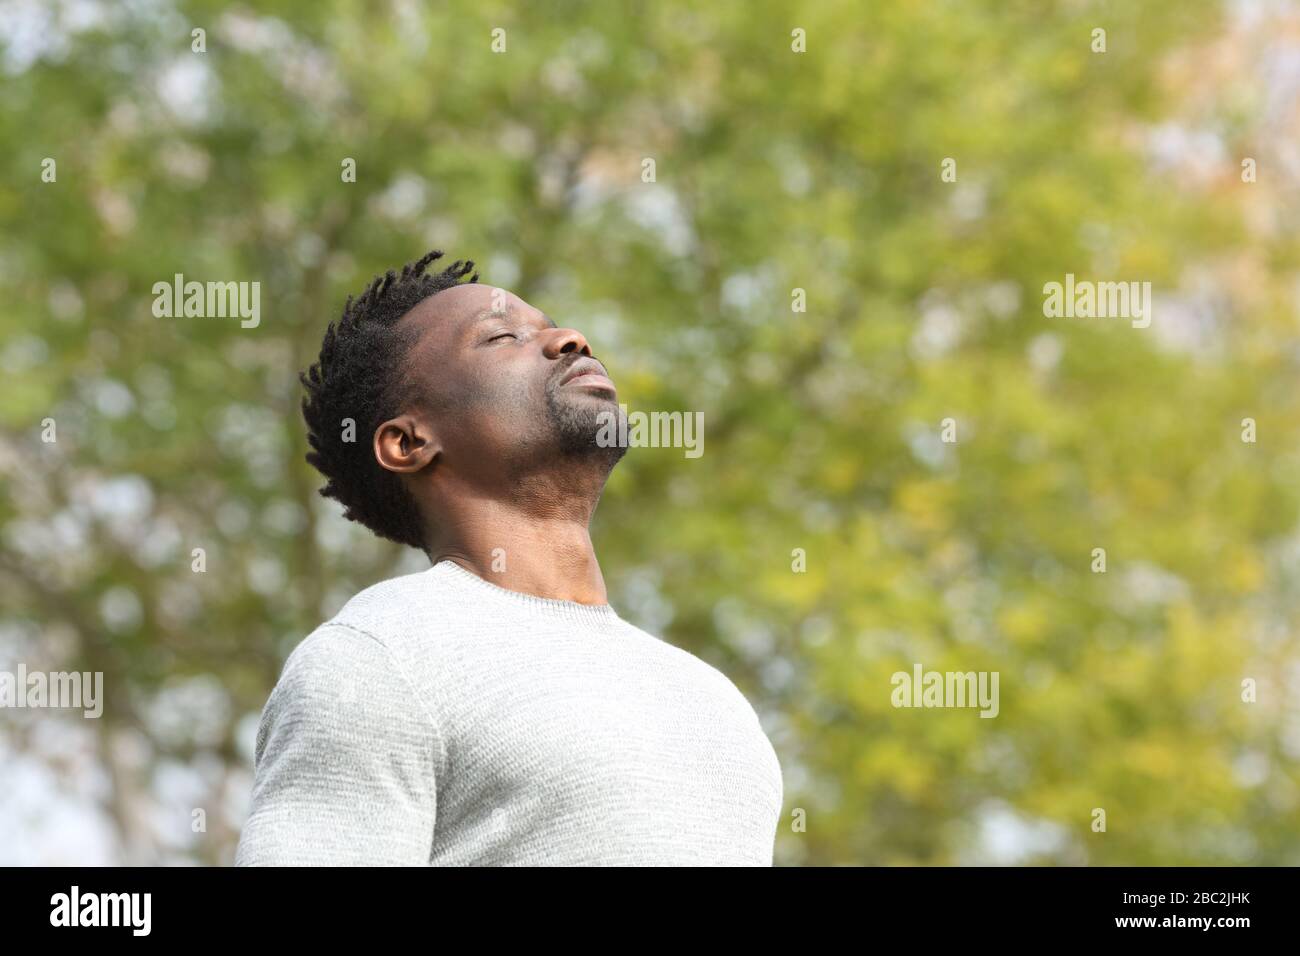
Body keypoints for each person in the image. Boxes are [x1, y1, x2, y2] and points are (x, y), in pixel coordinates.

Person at [234, 250, 783, 865]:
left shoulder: (709, 697)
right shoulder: (378, 657)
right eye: (501, 337)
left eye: (553, 325)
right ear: (410, 442)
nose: (568, 340)